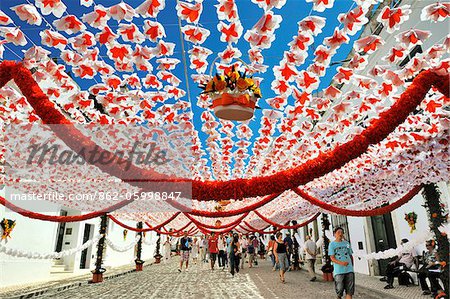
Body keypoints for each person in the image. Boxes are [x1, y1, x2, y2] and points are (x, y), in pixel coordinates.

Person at [329, 227, 355, 299]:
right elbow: (332, 258)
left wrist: (352, 266)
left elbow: (350, 255)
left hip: (349, 269)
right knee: (339, 288)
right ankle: (339, 296)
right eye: (338, 232)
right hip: (339, 270)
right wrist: (341, 263)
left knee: (350, 290)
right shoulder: (332, 244)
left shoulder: (346, 243)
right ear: (334, 234)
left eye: (341, 232)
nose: (340, 234)